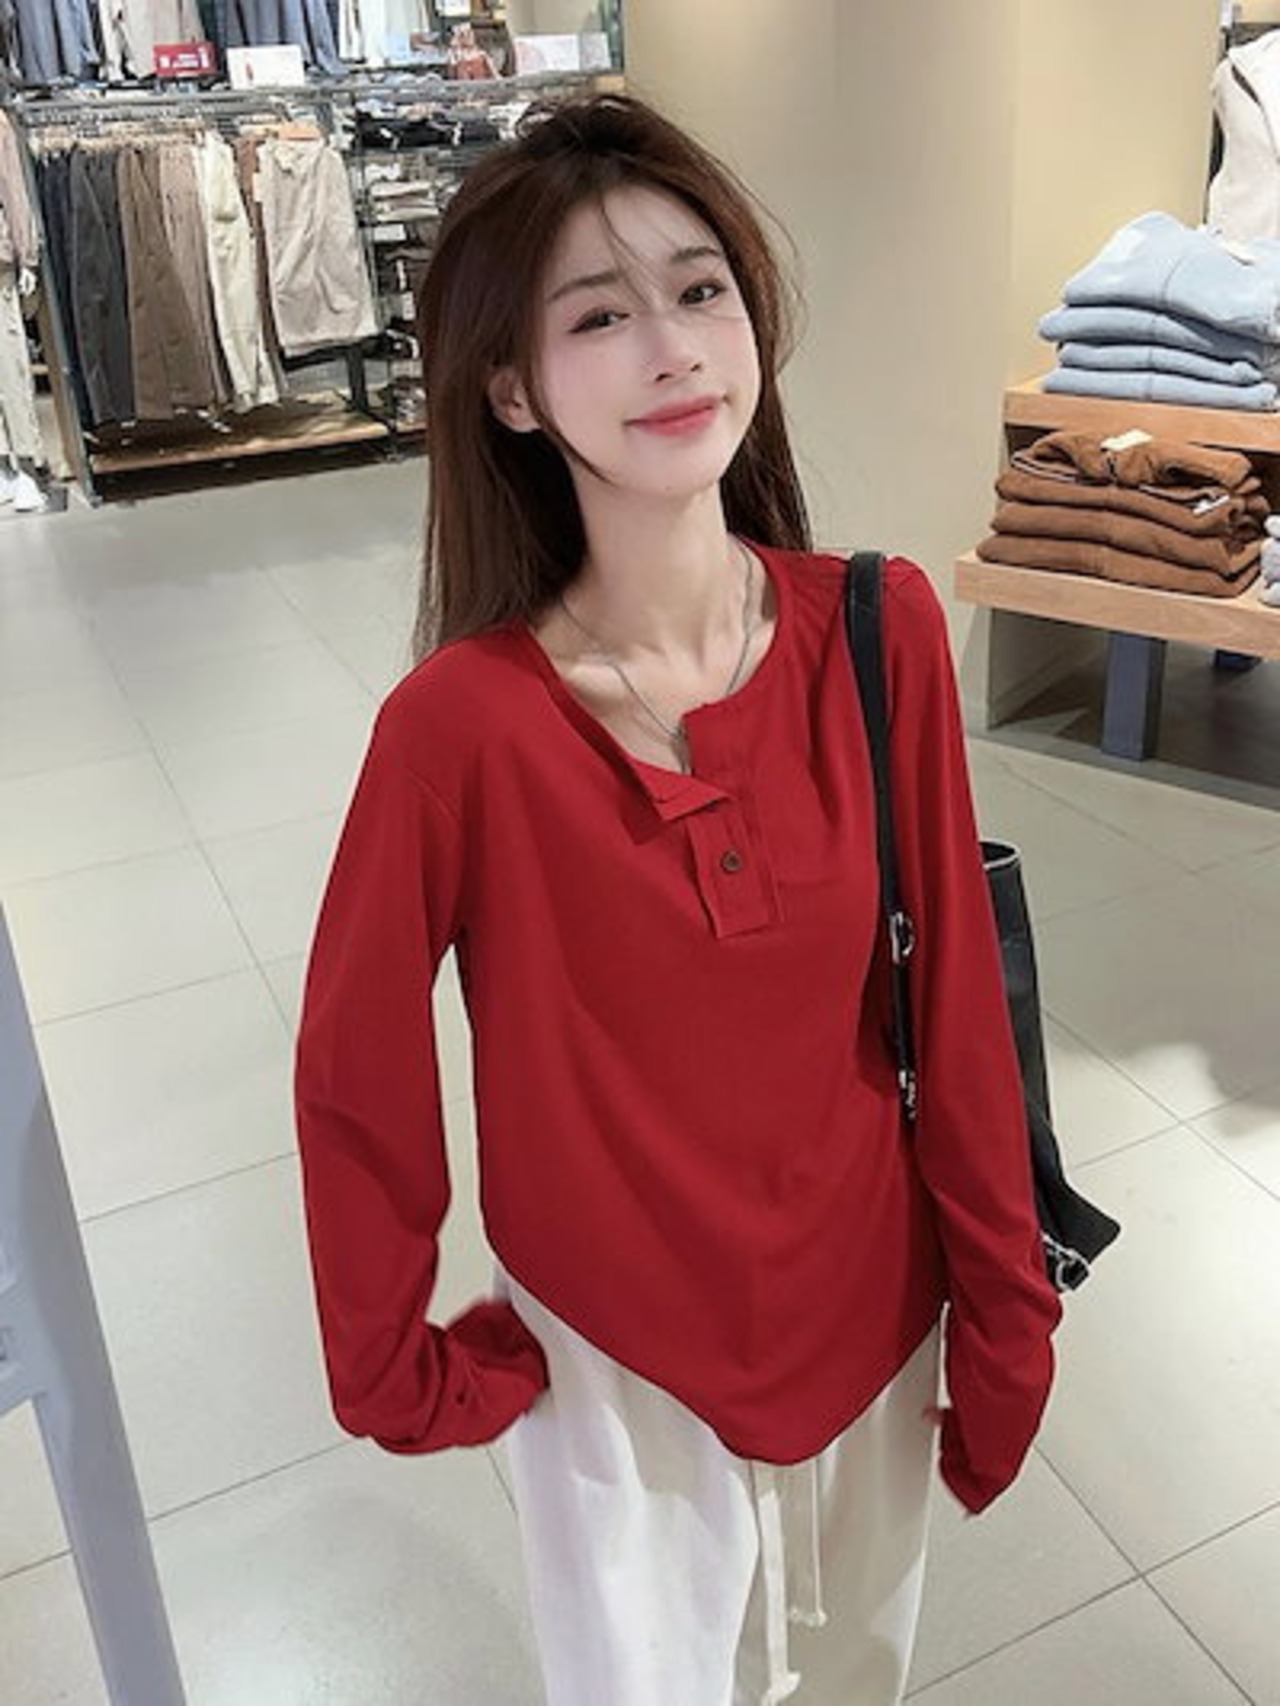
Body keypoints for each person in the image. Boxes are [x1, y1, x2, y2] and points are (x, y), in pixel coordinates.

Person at [294, 93, 1062, 1706]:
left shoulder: (882, 631)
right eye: (598, 314)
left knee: (857, 1678)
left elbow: (956, 1011)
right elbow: (355, 1067)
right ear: (511, 387)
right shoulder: (461, 731)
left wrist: (1007, 1314)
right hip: (614, 1369)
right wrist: (390, 1361)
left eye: (701, 289)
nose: (673, 348)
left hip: (876, 1316)